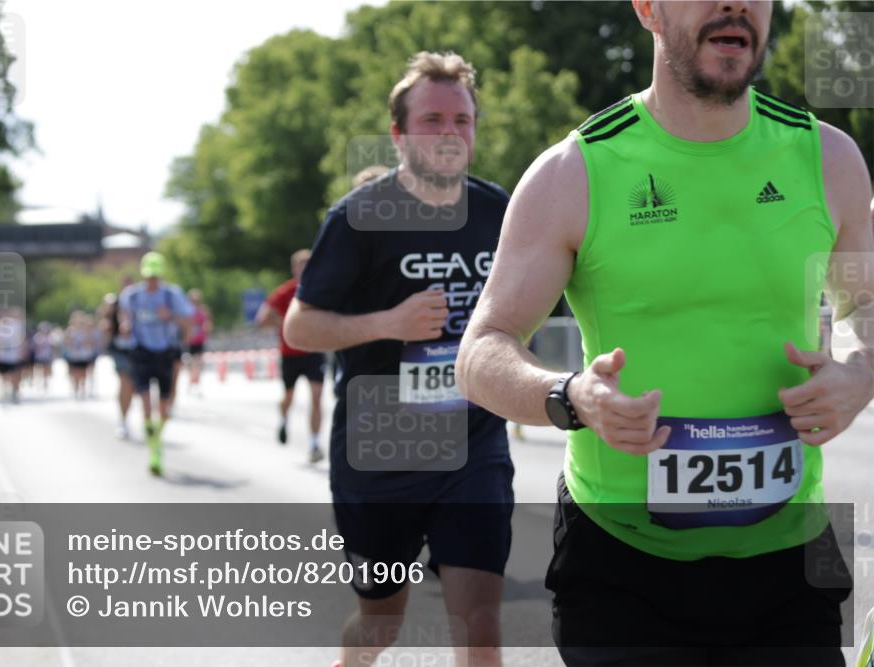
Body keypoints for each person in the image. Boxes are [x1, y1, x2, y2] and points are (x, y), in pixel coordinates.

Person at [456, 2, 873, 665]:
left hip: (792, 564)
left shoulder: (828, 158)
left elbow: (867, 312)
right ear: (648, 7)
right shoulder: (575, 171)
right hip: (621, 569)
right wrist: (570, 396)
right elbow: (482, 350)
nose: (735, 4)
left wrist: (860, 374)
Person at [284, 51, 513, 667]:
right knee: (381, 625)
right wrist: (389, 323)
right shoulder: (359, 217)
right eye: (432, 119)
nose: (449, 133)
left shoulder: (503, 212)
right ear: (398, 134)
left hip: (474, 444)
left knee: (481, 626)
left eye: (461, 120)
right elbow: (299, 326)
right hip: (380, 449)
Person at [118, 251, 193, 476]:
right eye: (149, 276)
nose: (152, 281)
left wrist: (169, 315)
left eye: (156, 276)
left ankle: (157, 437)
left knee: (164, 405)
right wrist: (125, 326)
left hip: (166, 353)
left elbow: (188, 322)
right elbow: (124, 317)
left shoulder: (172, 295)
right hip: (141, 352)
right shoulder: (131, 295)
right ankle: (154, 449)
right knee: (145, 401)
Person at [256, 250, 326, 463]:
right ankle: (284, 418)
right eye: (301, 265)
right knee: (289, 397)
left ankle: (314, 444)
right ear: (294, 268)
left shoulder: (322, 289)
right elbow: (262, 320)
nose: (305, 269)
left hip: (314, 352)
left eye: (309, 265)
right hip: (290, 353)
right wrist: (286, 323)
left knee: (316, 397)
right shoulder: (284, 292)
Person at [101, 283, 137, 439]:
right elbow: (105, 328)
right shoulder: (113, 306)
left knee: (132, 386)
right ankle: (123, 420)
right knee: (125, 383)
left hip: (138, 351)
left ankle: (126, 410)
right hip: (120, 351)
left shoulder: (140, 304)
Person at [0, 308, 27, 403]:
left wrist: (23, 351)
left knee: (15, 375)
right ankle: (4, 394)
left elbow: (23, 339)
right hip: (1, 356)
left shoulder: (17, 325)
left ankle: (15, 393)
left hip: (14, 356)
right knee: (3, 376)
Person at [185, 289, 212, 397]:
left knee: (198, 362)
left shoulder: (203, 310)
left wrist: (207, 329)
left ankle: (196, 383)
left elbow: (208, 323)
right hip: (190, 340)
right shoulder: (186, 310)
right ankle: (192, 382)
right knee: (191, 363)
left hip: (200, 340)